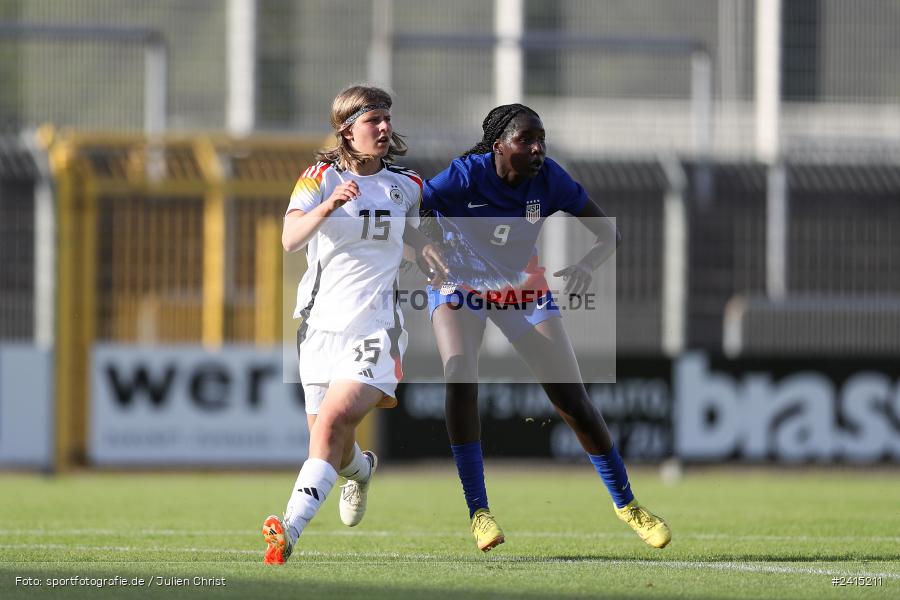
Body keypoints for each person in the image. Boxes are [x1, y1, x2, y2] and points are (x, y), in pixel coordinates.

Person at [420, 103, 671, 552]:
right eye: (526, 140)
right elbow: (412, 207)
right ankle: (479, 512)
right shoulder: (465, 175)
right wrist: (426, 244)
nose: (537, 149)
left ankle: (627, 504)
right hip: (459, 284)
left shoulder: (551, 180)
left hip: (521, 288)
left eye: (542, 140)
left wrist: (587, 265)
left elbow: (608, 233)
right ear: (499, 146)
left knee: (571, 398)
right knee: (460, 379)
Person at [262, 85, 446, 565]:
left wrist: (425, 250)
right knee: (332, 443)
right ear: (346, 130)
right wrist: (327, 206)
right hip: (319, 328)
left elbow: (405, 235)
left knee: (333, 422)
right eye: (372, 121)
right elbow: (290, 238)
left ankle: (287, 532)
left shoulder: (407, 184)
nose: (384, 128)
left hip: (376, 327)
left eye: (387, 119)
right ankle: (361, 471)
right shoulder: (320, 177)